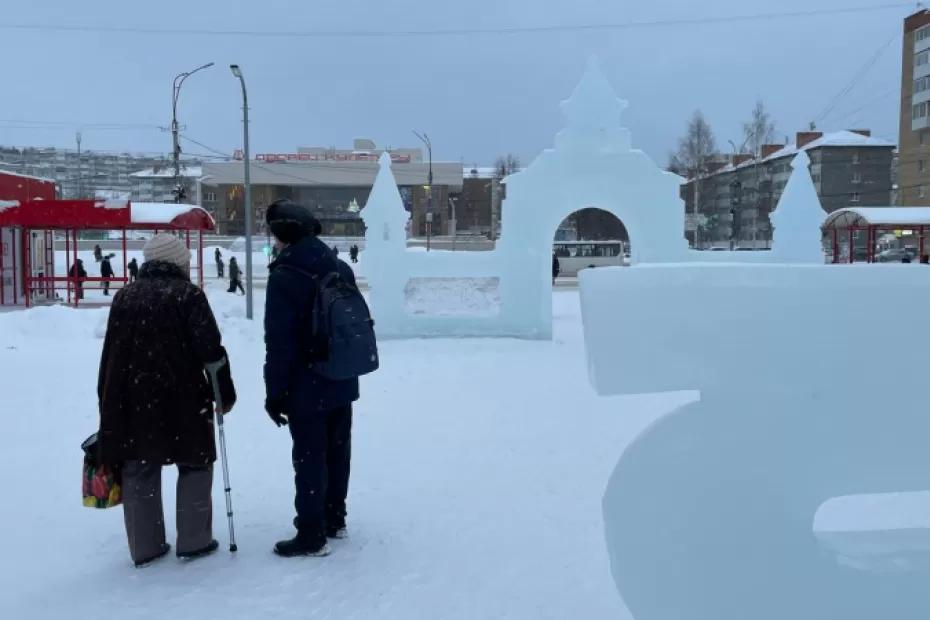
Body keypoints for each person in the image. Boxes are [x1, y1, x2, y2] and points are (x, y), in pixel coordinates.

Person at [96, 233, 236, 567]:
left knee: (139, 466)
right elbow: (211, 353)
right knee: (195, 463)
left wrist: (106, 398)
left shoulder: (125, 297)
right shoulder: (188, 295)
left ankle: (145, 546)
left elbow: (110, 354)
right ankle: (194, 540)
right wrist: (224, 393)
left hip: (132, 398)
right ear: (178, 263)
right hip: (183, 396)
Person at [263, 199, 360, 558]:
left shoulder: (286, 276)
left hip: (307, 382)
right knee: (338, 451)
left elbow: (279, 342)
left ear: (283, 235)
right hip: (343, 375)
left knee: (308, 457)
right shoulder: (340, 267)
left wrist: (274, 394)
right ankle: (335, 518)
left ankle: (310, 533)